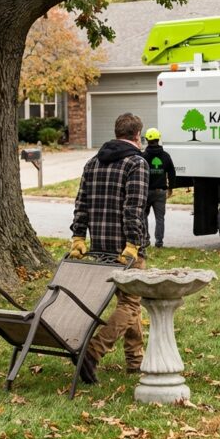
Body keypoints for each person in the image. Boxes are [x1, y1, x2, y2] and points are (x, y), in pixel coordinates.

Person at [69, 112, 149, 383]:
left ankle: (136, 361)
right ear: (138, 135)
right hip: (126, 250)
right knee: (130, 303)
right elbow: (133, 208)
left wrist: (78, 238)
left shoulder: (93, 163)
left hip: (99, 246)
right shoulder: (136, 163)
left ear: (117, 133)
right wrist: (133, 243)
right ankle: (92, 352)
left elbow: (81, 204)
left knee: (130, 304)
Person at [141, 128, 176, 248]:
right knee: (160, 218)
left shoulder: (142, 156)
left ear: (146, 140)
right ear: (158, 139)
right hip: (160, 192)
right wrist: (171, 188)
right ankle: (159, 242)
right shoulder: (165, 156)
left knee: (143, 215)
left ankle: (145, 240)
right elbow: (172, 172)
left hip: (145, 192)